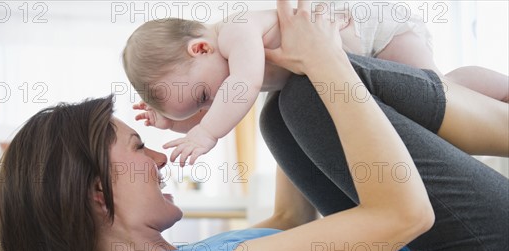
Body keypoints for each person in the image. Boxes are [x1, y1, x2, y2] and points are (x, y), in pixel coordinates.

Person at [0, 0, 508, 251]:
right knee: (311, 98)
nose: (156, 158)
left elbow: (288, 218)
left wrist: (280, 84)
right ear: (97, 196)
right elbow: (404, 215)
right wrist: (325, 60)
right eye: (137, 148)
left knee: (282, 116)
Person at [122, 2, 509, 166]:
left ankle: (501, 90)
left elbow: (243, 84)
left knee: (437, 93)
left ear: (201, 47)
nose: (212, 106)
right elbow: (218, 104)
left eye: (203, 97)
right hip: (357, 57)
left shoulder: (235, 34)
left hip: (374, 30)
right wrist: (176, 124)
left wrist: (206, 133)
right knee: (429, 105)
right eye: (200, 108)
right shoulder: (216, 67)